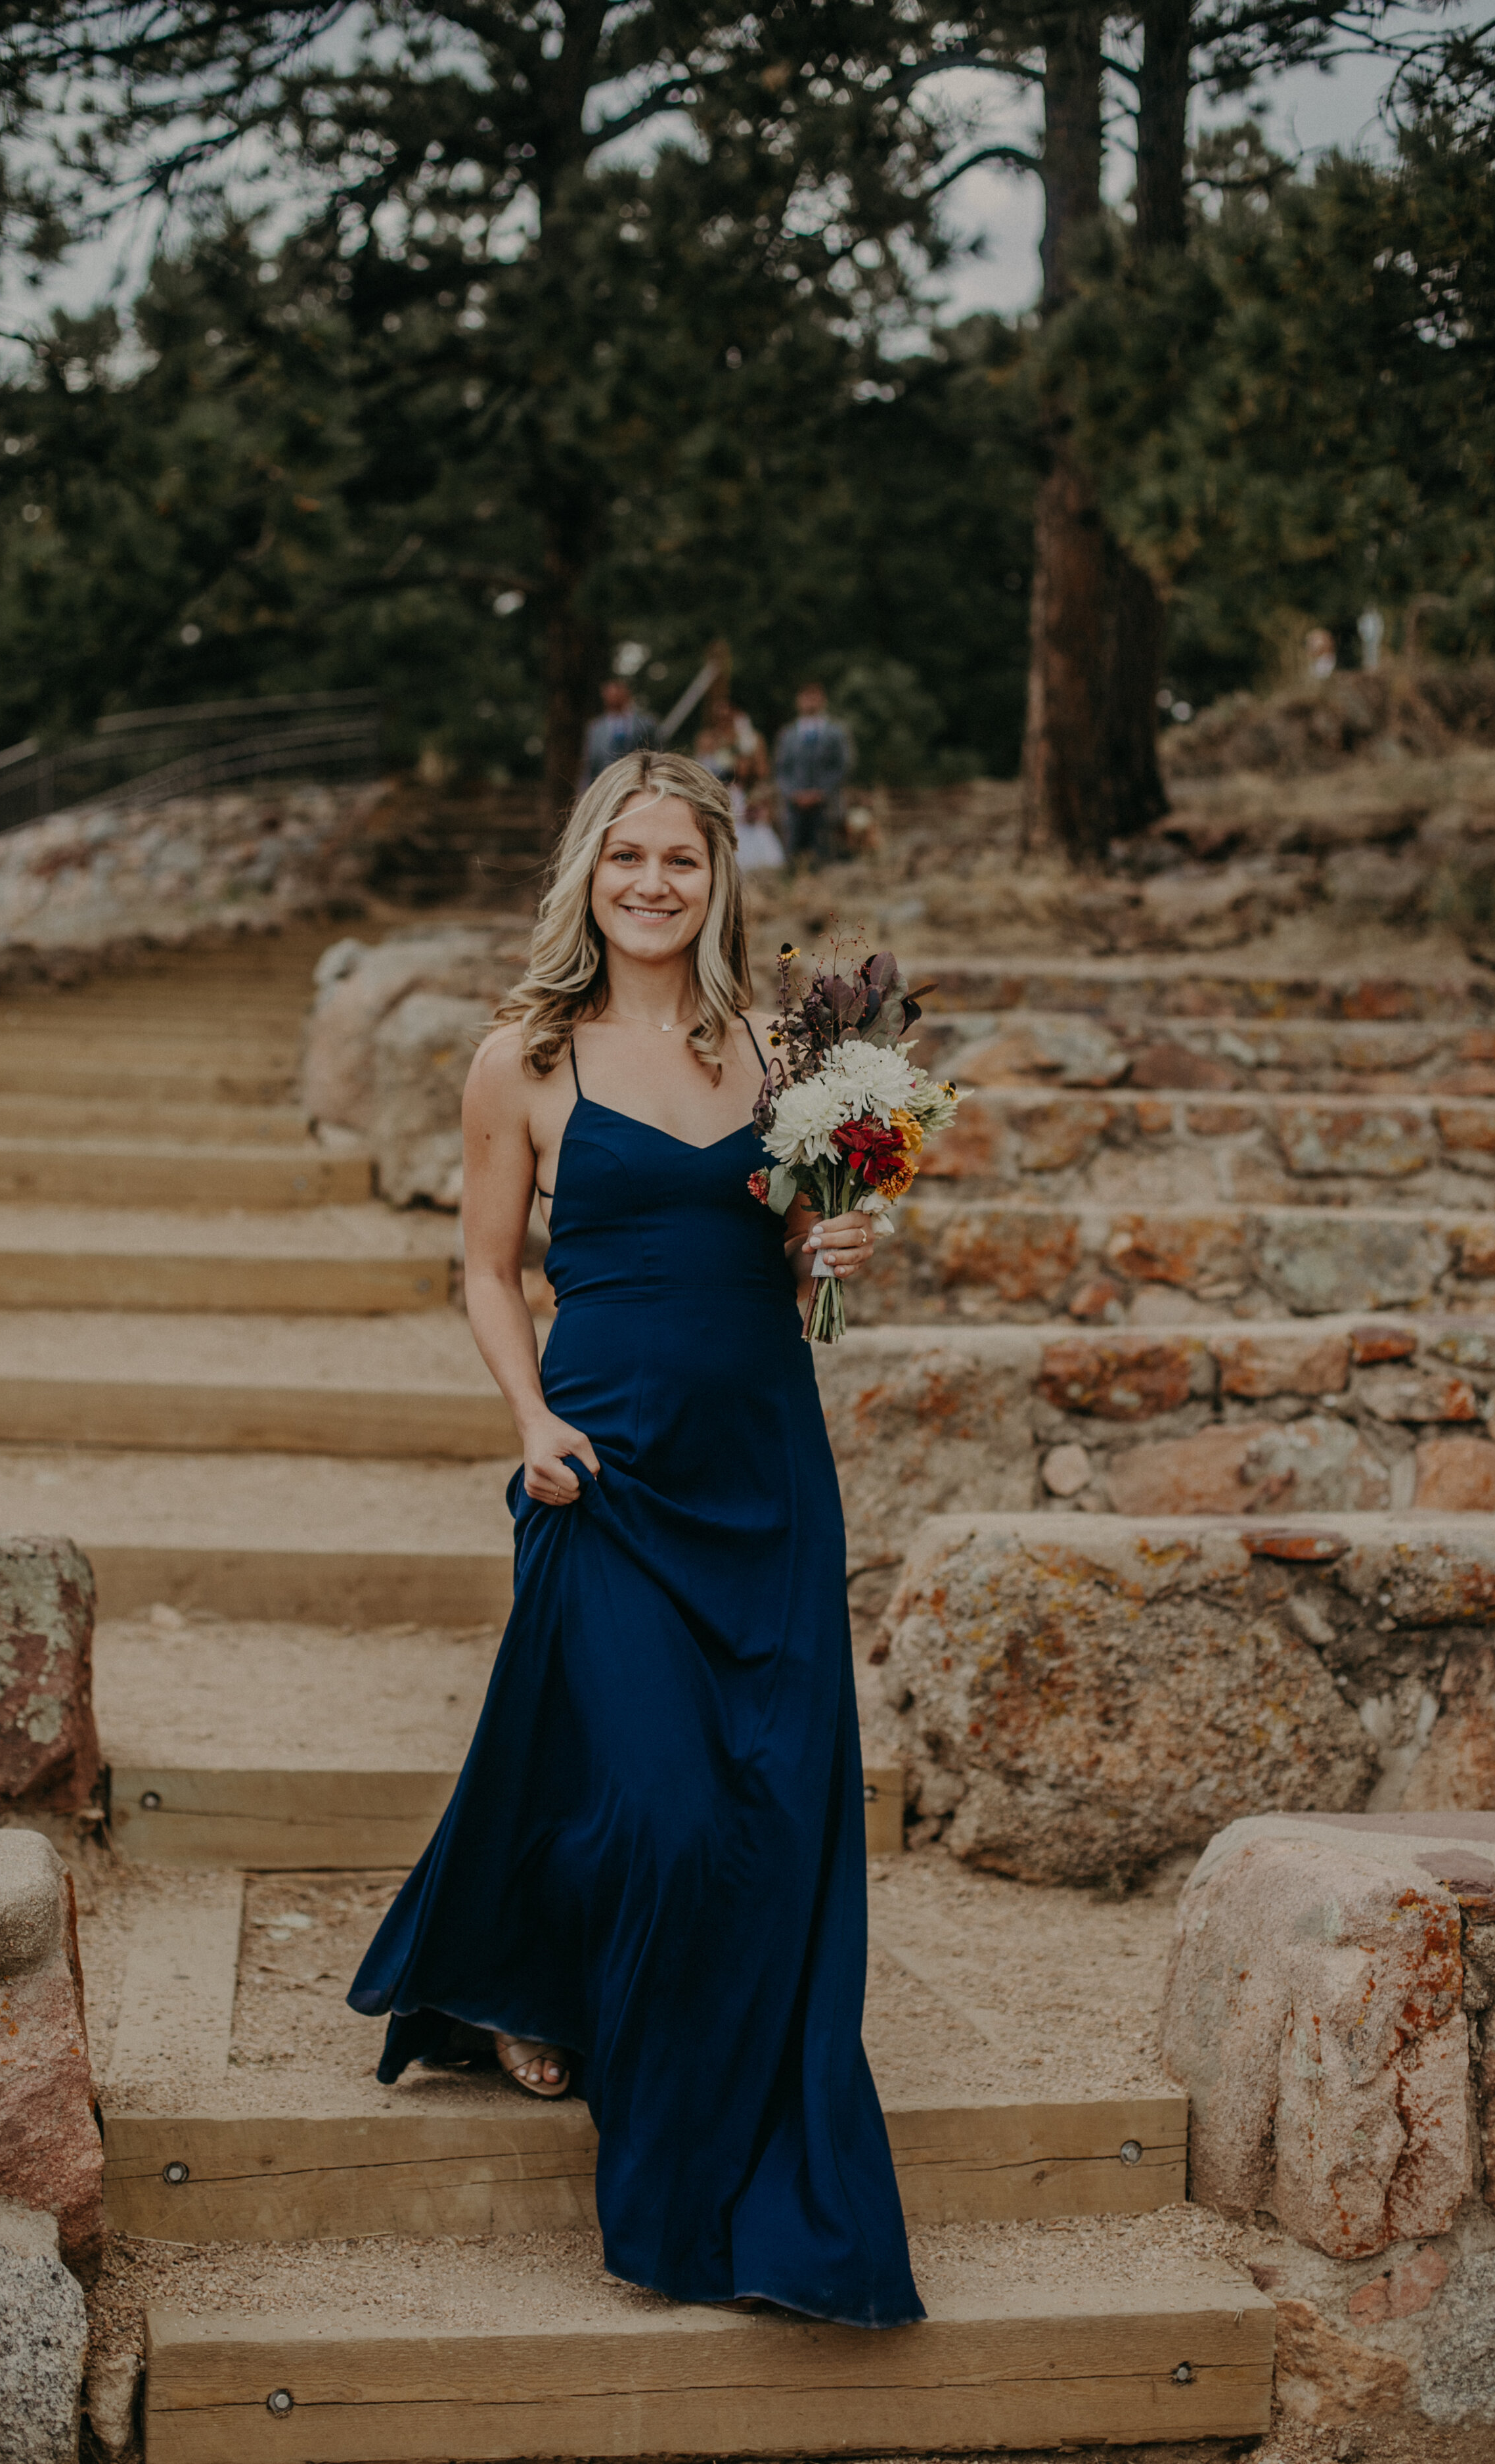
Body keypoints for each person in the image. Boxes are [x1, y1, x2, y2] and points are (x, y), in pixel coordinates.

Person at [349, 749, 922, 2331]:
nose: (654, 881)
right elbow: (483, 1269)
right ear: (587, 875)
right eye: (627, 857)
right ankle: (643, 2124)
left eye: (680, 857)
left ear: (717, 875)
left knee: (766, 1806)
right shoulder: (520, 1055)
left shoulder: (784, 1048)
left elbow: (804, 1265)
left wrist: (836, 1247)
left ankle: (595, 2010)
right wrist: (528, 1421)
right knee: (660, 1811)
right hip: (597, 1466)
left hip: (763, 1473)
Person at [694, 693, 784, 870]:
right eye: (719, 715)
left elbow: (762, 773)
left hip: (743, 797)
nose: (723, 719)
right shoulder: (706, 740)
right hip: (716, 797)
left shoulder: (751, 740)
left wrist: (759, 799)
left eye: (728, 714)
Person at [773, 682, 852, 864]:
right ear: (798, 701)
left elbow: (843, 765)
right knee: (792, 859)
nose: (810, 702)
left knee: (826, 857)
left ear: (823, 700)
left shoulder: (836, 732)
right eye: (805, 697)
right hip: (794, 807)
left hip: (826, 806)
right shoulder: (788, 734)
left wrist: (821, 793)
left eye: (814, 697)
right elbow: (781, 769)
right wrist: (794, 794)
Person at [578, 679, 657, 790]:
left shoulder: (646, 724)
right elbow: (589, 766)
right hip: (605, 787)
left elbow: (657, 754)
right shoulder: (595, 728)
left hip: (637, 785)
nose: (613, 699)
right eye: (609, 695)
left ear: (626, 694)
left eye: (617, 694)